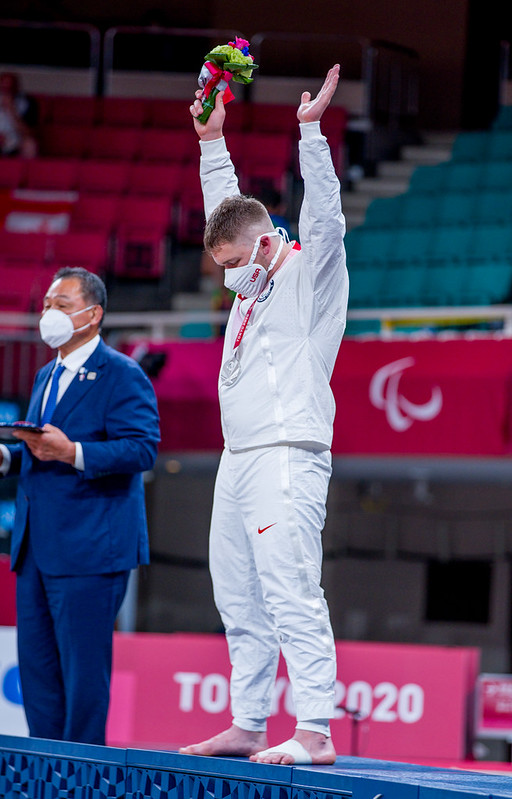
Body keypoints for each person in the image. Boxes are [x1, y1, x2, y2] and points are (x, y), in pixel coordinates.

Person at [180, 65, 348, 765]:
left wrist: (310, 132)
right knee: (237, 596)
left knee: (289, 589)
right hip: (239, 455)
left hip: (288, 450)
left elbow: (326, 215)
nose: (228, 278)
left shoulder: (311, 273)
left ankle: (315, 728)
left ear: (267, 242)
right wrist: (211, 141)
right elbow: (228, 206)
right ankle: (248, 720)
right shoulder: (247, 282)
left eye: (234, 264)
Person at [0, 266, 160, 745]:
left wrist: (73, 451)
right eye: (48, 304)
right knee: (39, 678)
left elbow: (143, 449)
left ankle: (81, 779)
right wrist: (8, 458)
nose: (50, 313)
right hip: (37, 549)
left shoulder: (121, 374)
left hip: (91, 548)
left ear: (93, 315)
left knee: (83, 678)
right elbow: (41, 449)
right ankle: (45, 777)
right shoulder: (48, 373)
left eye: (62, 305)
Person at [0, 71, 39, 157]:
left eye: (9, 88)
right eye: (3, 88)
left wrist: (11, 110)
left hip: (15, 142)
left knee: (30, 145)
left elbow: (29, 133)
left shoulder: (28, 103)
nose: (6, 91)